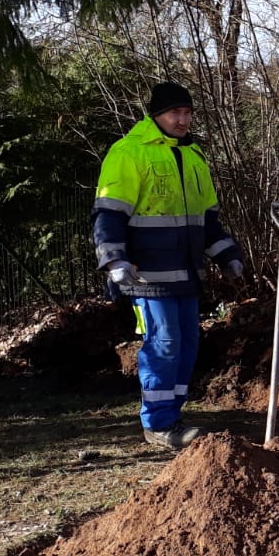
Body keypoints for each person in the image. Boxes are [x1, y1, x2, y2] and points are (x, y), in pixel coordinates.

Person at [93, 82, 244, 450]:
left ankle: (172, 414)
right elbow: (108, 213)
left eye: (188, 113)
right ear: (155, 114)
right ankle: (158, 425)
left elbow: (207, 219)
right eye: (175, 112)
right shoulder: (130, 152)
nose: (182, 120)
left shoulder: (193, 156)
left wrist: (226, 255)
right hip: (146, 275)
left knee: (187, 344)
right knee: (164, 342)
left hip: (187, 273)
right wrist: (114, 259)